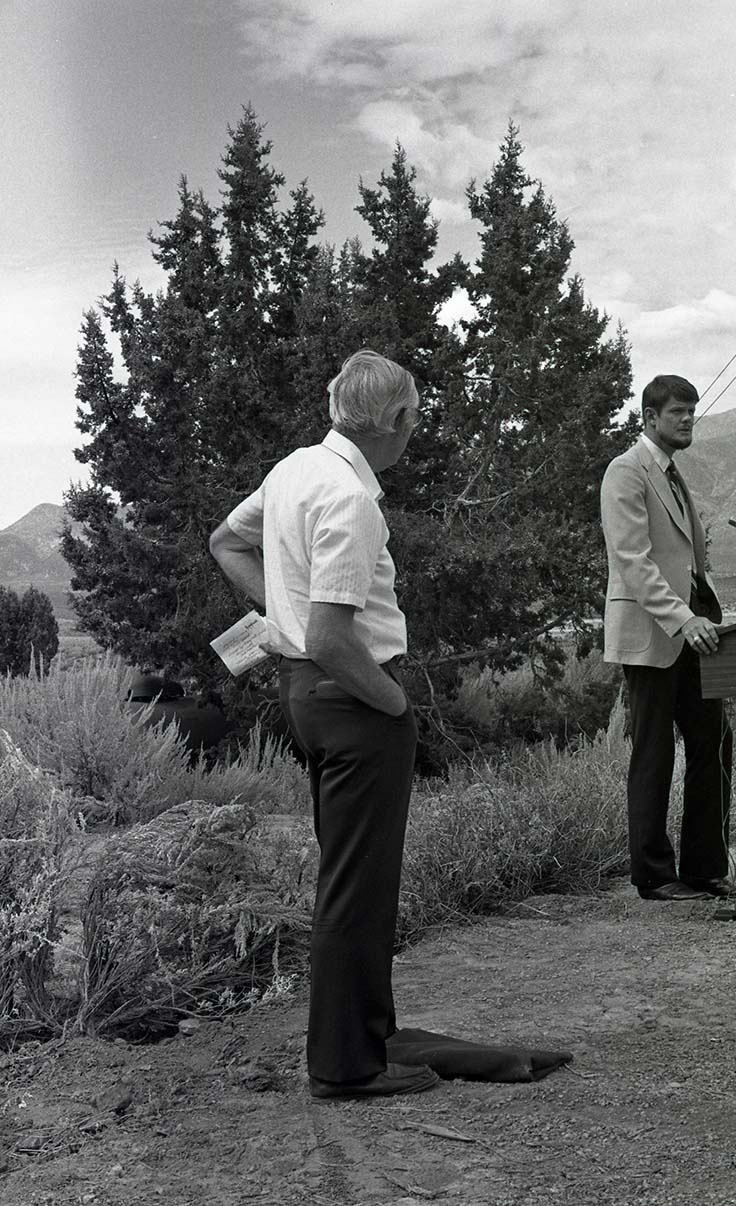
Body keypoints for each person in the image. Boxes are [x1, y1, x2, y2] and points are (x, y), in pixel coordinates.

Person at [209, 350, 438, 1098]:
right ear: (396, 420)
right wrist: (397, 705)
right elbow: (337, 637)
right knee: (357, 888)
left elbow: (227, 540)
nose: (416, 431)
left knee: (352, 878)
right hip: (352, 700)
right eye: (415, 417)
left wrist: (283, 613)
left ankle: (367, 1038)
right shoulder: (351, 499)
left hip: (305, 696)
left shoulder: (294, 470)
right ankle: (344, 1065)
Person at [600, 374, 736, 902]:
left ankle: (705, 869)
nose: (688, 419)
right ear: (649, 418)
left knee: (714, 742)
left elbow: (687, 556)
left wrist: (706, 609)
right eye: (677, 412)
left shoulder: (673, 474)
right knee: (654, 752)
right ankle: (653, 875)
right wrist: (683, 618)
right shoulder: (626, 471)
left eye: (692, 411)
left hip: (696, 629)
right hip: (654, 631)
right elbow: (632, 561)